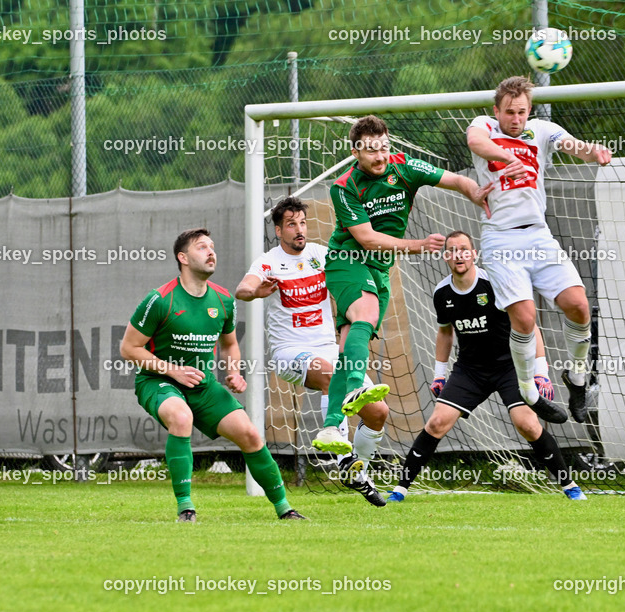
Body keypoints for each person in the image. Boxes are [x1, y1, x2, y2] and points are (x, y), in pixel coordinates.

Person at [312, 115, 493, 465]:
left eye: (383, 147)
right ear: (355, 152)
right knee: (363, 316)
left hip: (378, 271)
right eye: (370, 151)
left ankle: (332, 427)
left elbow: (452, 178)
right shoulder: (344, 186)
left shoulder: (404, 166)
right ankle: (355, 386)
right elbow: (366, 238)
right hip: (347, 260)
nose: (379, 156)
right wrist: (419, 244)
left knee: (352, 339)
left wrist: (474, 191)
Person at [120, 228, 305, 522]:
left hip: (203, 385)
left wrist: (234, 372)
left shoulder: (222, 300)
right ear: (183, 257)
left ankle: (285, 509)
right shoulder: (160, 300)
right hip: (158, 380)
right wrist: (173, 371)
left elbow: (230, 344)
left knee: (250, 434)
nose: (211, 252)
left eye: (212, 246)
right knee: (181, 417)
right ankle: (186, 508)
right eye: (201, 247)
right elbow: (129, 348)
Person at [387, 230, 586, 502]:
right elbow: (445, 332)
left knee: (526, 424)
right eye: (453, 250)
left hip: (510, 367)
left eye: (464, 249)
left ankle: (569, 486)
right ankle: (400, 490)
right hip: (470, 370)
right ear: (446, 256)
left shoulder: (494, 282)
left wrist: (540, 373)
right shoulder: (442, 292)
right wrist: (439, 375)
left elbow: (529, 327)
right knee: (436, 423)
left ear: (474, 254)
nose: (459, 255)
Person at [467, 75, 611, 424]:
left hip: (539, 237)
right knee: (526, 318)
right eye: (509, 113)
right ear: (496, 111)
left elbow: (572, 145)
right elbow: (476, 142)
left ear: (529, 111)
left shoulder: (542, 130)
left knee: (578, 305)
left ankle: (577, 380)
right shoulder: (483, 126)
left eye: (521, 112)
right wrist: (506, 156)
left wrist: (593, 151)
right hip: (501, 239)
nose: (515, 119)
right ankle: (529, 391)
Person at [235, 196, 388, 507]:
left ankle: (358, 470)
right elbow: (242, 288)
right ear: (279, 230)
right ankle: (342, 457)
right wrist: (255, 291)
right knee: (331, 376)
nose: (299, 229)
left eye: (302, 223)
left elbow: (350, 271)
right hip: (290, 353)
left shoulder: (322, 255)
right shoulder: (267, 262)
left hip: (329, 349)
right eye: (291, 224)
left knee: (378, 413)